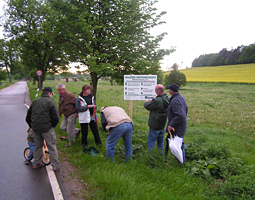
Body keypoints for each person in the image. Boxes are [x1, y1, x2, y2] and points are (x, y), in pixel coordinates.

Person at [26, 87, 60, 171]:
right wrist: (52, 126)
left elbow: (28, 117)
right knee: (51, 146)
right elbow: (55, 117)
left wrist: (31, 126)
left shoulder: (35, 102)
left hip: (36, 128)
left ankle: (36, 163)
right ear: (49, 93)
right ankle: (55, 165)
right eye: (51, 94)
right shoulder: (51, 102)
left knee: (38, 146)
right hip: (47, 128)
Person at [165, 83, 188, 163]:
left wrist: (171, 125)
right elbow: (185, 110)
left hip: (177, 127)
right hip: (181, 125)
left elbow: (180, 115)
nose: (168, 91)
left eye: (169, 89)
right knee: (171, 141)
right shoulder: (181, 98)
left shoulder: (175, 101)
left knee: (179, 145)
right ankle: (166, 159)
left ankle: (182, 162)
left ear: (171, 91)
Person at [144, 84, 169, 152]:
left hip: (155, 124)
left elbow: (148, 106)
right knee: (160, 143)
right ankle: (160, 156)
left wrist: (146, 102)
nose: (155, 92)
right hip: (162, 124)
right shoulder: (167, 98)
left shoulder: (157, 100)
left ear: (158, 91)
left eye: (155, 90)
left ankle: (150, 158)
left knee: (151, 142)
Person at [57, 83, 80, 147]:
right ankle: (77, 131)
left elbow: (77, 103)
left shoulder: (70, 95)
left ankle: (71, 143)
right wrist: (59, 114)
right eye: (57, 90)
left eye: (59, 90)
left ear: (63, 89)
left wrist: (77, 113)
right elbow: (60, 105)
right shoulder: (60, 96)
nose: (58, 92)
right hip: (65, 114)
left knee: (69, 130)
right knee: (62, 127)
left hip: (72, 114)